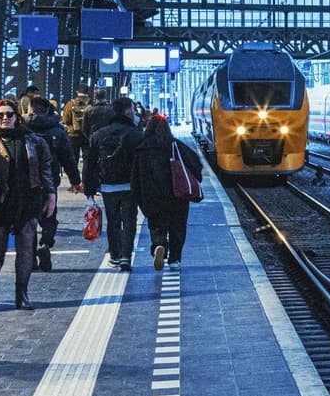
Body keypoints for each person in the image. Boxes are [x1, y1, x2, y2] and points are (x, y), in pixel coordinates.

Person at [0, 97, 55, 309]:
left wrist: (51, 195)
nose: (5, 119)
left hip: (28, 200)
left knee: (26, 248)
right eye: (0, 115)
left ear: (17, 117)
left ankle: (23, 293)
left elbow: (46, 168)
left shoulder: (34, 141)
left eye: (9, 114)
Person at [84, 97, 147, 270]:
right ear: (127, 112)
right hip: (130, 186)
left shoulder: (99, 135)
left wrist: (89, 188)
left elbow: (90, 163)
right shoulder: (136, 134)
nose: (134, 113)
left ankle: (115, 255)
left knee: (113, 221)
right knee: (129, 221)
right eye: (133, 110)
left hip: (107, 186)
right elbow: (143, 162)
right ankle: (126, 256)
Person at [134, 114, 201, 270]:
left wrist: (140, 199)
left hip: (152, 196)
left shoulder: (142, 149)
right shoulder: (176, 146)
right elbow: (196, 165)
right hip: (177, 195)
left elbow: (135, 179)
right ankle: (174, 260)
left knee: (157, 225)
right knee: (178, 227)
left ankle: (159, 246)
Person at [23, 94, 78, 272]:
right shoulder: (57, 129)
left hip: (26, 180)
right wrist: (75, 180)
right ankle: (45, 243)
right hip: (50, 179)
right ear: (48, 109)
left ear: (29, 109)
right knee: (49, 215)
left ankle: (30, 258)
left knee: (28, 219)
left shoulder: (22, 127)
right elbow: (67, 157)